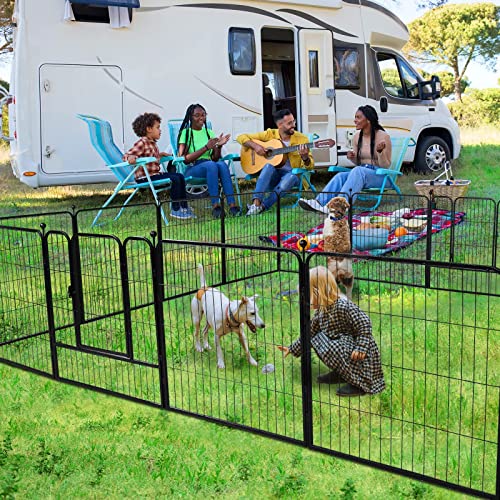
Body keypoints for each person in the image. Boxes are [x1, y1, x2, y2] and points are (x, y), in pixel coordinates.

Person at [277, 266, 385, 397]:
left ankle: (359, 384)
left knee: (328, 344)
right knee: (317, 339)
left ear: (319, 292)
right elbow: (310, 332)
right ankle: (342, 374)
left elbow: (364, 323)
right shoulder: (322, 310)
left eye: (307, 296)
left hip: (360, 355)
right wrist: (292, 348)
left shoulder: (343, 306)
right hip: (345, 349)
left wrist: (361, 347)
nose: (304, 301)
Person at [299, 105, 392, 215]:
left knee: (358, 170)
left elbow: (385, 166)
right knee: (340, 176)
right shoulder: (357, 137)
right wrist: (352, 158)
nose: (355, 120)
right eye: (355, 117)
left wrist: (380, 152)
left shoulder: (383, 137)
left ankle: (339, 206)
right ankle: (318, 202)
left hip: (381, 176)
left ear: (368, 120)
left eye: (358, 117)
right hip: (362, 173)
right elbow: (359, 163)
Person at [236, 109, 314, 215]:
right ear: (280, 125)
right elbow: (240, 137)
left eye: (293, 121)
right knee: (268, 166)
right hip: (273, 176)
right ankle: (256, 203)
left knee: (291, 177)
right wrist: (256, 146)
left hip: (292, 176)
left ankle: (263, 206)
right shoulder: (270, 134)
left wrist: (305, 158)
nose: (294, 125)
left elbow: (310, 166)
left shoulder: (302, 139)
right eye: (289, 123)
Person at [123, 112, 194, 220]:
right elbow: (127, 155)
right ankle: (176, 210)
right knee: (175, 179)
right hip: (145, 178)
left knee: (180, 176)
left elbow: (150, 158)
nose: (160, 130)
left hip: (154, 175)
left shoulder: (153, 144)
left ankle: (184, 206)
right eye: (157, 127)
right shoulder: (142, 142)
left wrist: (160, 155)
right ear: (149, 129)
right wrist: (130, 157)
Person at [177, 104, 241, 218]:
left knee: (222, 164)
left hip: (210, 166)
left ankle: (232, 206)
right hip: (193, 168)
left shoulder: (208, 132)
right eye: (197, 115)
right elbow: (184, 159)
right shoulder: (186, 133)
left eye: (203, 115)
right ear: (190, 117)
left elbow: (215, 158)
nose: (201, 118)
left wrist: (219, 146)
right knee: (212, 165)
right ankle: (216, 207)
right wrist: (206, 147)